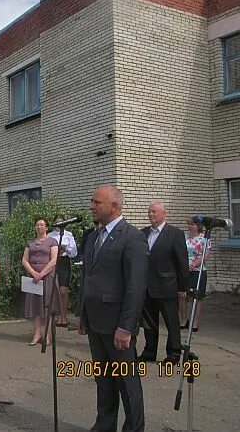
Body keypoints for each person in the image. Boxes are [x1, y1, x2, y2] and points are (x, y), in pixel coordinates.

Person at [78, 185, 148, 432]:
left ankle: (134, 428)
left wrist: (126, 327)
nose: (91, 206)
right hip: (96, 323)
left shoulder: (132, 237)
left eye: (97, 202)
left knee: (127, 384)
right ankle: (105, 425)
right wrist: (83, 314)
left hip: (118, 325)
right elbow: (88, 277)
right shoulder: (94, 236)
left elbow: (136, 287)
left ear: (114, 206)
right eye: (92, 201)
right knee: (104, 380)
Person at [138, 202, 189, 365]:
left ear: (163, 213)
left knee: (171, 322)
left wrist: (183, 287)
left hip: (167, 285)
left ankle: (174, 353)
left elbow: (182, 262)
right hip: (147, 287)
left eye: (154, 212)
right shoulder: (143, 233)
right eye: (149, 212)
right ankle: (149, 351)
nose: (151, 215)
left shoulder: (175, 233)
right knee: (149, 323)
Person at [22, 216, 59, 345]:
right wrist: (33, 273)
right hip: (33, 277)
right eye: (37, 225)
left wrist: (42, 273)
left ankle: (47, 335)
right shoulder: (30, 242)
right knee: (35, 305)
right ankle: (36, 334)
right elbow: (24, 259)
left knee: (46, 304)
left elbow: (53, 260)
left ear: (47, 227)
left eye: (42, 225)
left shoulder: (52, 241)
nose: (39, 227)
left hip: (47, 276)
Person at [179, 217, 212, 333]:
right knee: (182, 295)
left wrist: (194, 265)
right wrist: (184, 266)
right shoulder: (184, 237)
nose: (190, 226)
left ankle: (195, 321)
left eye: (192, 224)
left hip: (199, 270)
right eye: (189, 224)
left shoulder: (204, 238)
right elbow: (180, 251)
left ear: (198, 226)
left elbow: (205, 254)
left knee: (197, 297)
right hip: (184, 270)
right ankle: (184, 319)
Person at [48, 215, 78, 327]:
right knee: (54, 290)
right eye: (57, 223)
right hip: (53, 261)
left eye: (62, 223)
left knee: (63, 290)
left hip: (64, 262)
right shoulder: (50, 236)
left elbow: (74, 253)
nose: (59, 225)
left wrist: (66, 248)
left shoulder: (69, 235)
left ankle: (63, 316)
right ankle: (56, 316)